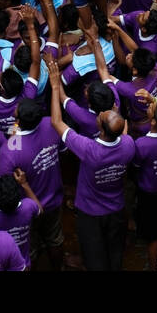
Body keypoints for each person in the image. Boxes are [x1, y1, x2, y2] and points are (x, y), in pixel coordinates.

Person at [47, 54, 135, 271]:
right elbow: (123, 129)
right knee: (115, 254)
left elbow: (56, 122)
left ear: (101, 126)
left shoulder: (88, 149)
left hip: (90, 212)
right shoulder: (128, 145)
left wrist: (55, 85)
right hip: (116, 209)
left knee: (94, 257)